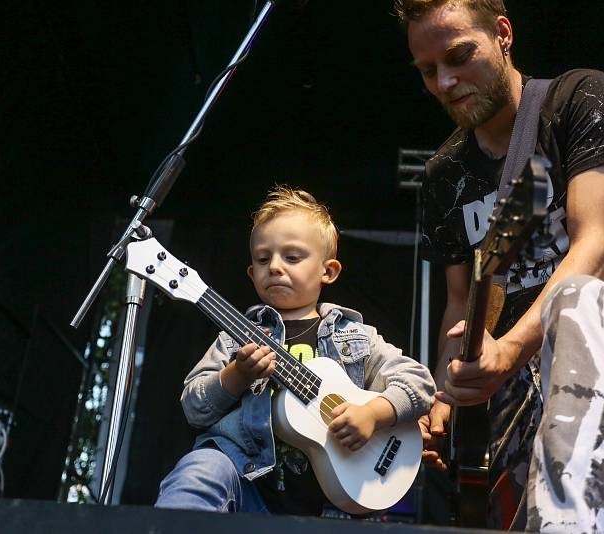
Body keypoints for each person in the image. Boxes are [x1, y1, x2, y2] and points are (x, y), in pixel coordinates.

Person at [394, 0, 604, 532]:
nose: (445, 81)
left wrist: (505, 352)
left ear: (503, 34)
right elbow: (460, 304)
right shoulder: (444, 176)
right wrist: (445, 392)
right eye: (428, 71)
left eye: (459, 56)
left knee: (579, 300)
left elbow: (595, 251)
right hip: (520, 390)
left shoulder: (577, 99)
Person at [154, 186, 436, 516]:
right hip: (246, 489)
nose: (274, 266)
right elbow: (194, 408)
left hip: (332, 504)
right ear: (251, 273)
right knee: (201, 468)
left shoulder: (356, 336)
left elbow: (419, 382)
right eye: (263, 259)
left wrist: (374, 414)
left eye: (292, 257)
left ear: (328, 271)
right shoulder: (234, 338)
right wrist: (236, 375)